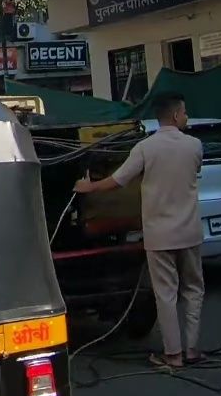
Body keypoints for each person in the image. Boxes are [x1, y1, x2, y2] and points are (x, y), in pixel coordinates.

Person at [74, 93, 204, 370]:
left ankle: (173, 355)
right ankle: (192, 350)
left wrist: (89, 187)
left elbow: (118, 181)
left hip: (159, 235)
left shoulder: (145, 148)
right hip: (189, 232)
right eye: (185, 113)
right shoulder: (195, 146)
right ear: (175, 116)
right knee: (193, 289)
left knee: (165, 294)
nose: (187, 117)